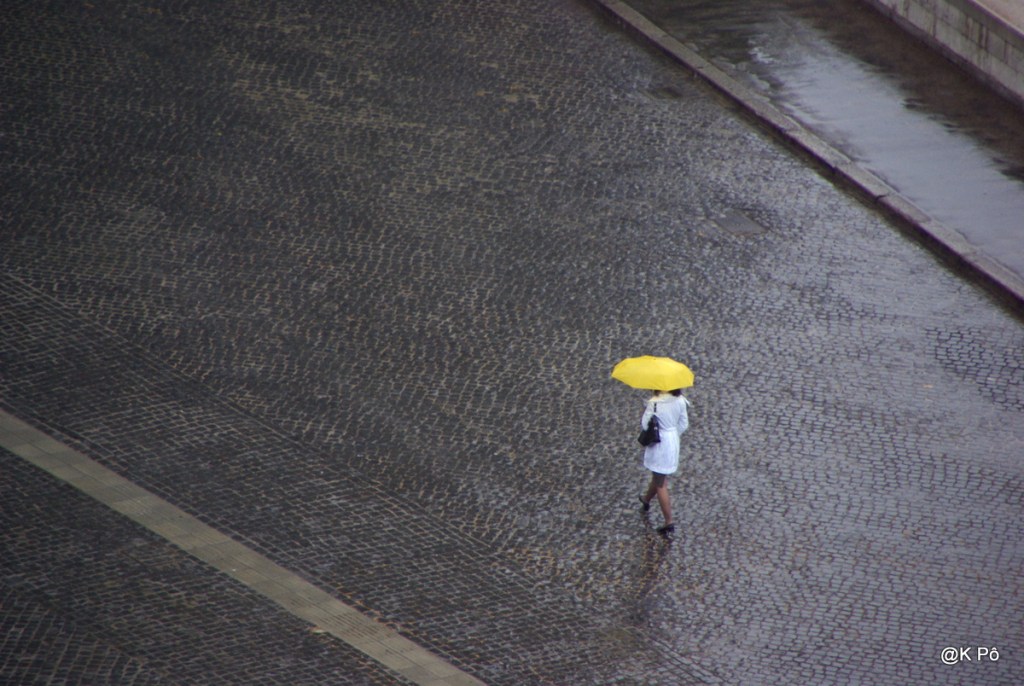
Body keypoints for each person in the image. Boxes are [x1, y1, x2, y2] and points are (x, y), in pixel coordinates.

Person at [637, 388, 689, 536]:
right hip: (673, 442)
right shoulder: (680, 401)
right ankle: (646, 500)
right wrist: (673, 434)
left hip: (660, 445)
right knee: (659, 475)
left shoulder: (654, 403)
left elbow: (646, 424)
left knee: (661, 483)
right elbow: (683, 424)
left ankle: (669, 521)